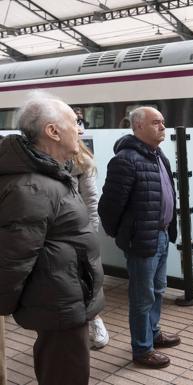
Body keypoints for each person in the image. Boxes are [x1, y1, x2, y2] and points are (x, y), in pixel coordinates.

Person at [0, 93, 105, 385]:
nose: (81, 130)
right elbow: (13, 258)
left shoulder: (48, 177)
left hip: (66, 299)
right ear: (52, 131)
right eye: (75, 122)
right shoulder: (33, 186)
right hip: (59, 306)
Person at [98, 106, 181, 369]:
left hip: (161, 234)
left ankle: (153, 333)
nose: (162, 127)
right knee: (142, 296)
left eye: (163, 122)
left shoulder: (157, 155)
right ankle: (142, 349)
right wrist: (124, 234)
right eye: (156, 122)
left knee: (157, 290)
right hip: (142, 240)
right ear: (138, 127)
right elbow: (108, 207)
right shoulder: (126, 160)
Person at [72, 130, 111, 348]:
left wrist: (90, 235)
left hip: (79, 233)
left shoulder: (81, 162)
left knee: (88, 278)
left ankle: (95, 319)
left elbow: (91, 202)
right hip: (50, 235)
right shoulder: (37, 161)